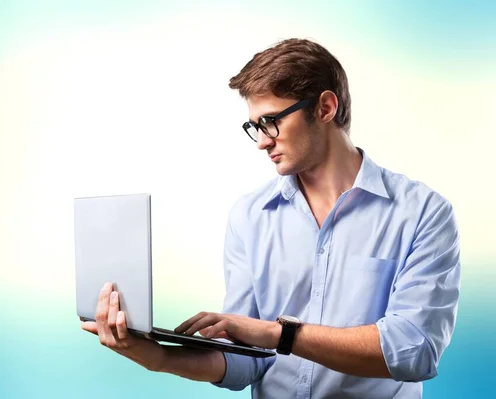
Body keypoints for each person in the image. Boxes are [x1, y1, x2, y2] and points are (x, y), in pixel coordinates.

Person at [81, 38, 461, 398]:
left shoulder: (423, 213)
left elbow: (413, 351)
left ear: (325, 108)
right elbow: (248, 362)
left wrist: (279, 334)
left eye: (271, 121)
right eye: (254, 127)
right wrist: (158, 357)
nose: (262, 140)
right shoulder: (250, 216)